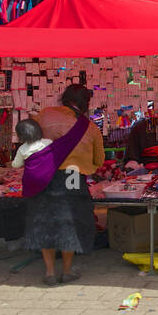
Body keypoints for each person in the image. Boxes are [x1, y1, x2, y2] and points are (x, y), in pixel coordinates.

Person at [28, 84, 105, 286]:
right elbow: (99, 160)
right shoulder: (90, 127)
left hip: (46, 174)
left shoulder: (45, 115)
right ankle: (68, 270)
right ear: (85, 103)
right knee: (69, 222)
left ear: (65, 98)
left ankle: (50, 272)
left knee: (46, 221)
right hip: (72, 175)